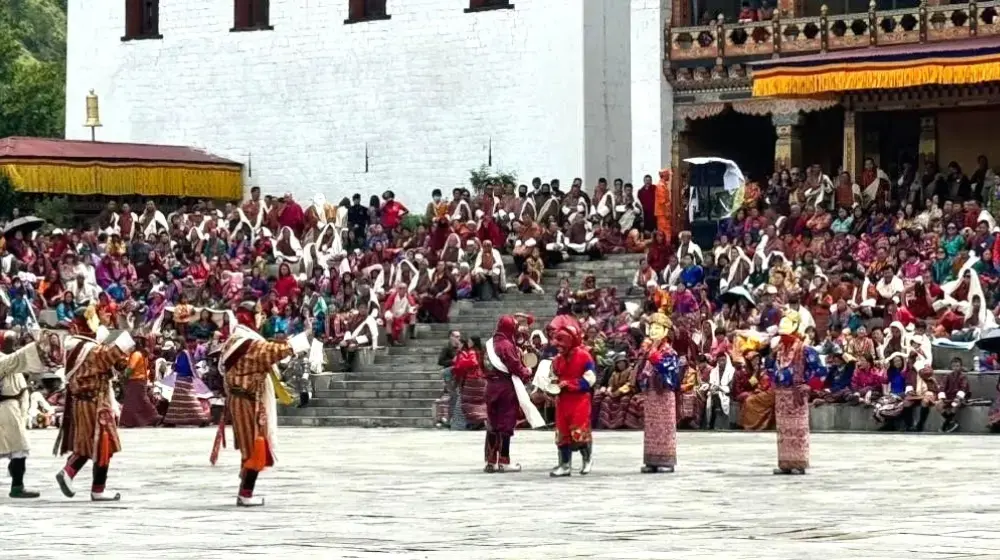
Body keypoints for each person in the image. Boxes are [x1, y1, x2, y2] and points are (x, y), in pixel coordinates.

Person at [211, 326, 309, 507]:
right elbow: (276, 350)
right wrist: (305, 336)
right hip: (249, 403)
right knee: (256, 447)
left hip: (238, 400)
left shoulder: (232, 343)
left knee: (250, 447)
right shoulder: (250, 347)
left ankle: (245, 491)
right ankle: (245, 494)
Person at [55, 331, 137, 502]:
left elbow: (111, 365)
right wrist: (126, 338)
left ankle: (69, 473)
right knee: (103, 445)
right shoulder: (91, 350)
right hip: (96, 405)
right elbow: (108, 356)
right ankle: (96, 488)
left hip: (82, 404)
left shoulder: (75, 350)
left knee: (88, 443)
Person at [769, 310, 822, 475]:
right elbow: (769, 367)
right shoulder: (778, 349)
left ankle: (799, 463)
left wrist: (810, 386)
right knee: (784, 432)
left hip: (796, 395)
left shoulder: (805, 350)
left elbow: (821, 372)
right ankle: (785, 463)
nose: (784, 338)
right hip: (782, 398)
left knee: (798, 431)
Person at [0, 337, 52, 498]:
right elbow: (17, 358)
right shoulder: (4, 361)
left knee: (17, 449)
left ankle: (17, 483)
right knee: (19, 449)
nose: (14, 346)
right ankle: (17, 487)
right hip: (6, 410)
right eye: (10, 342)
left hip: (12, 409)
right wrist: (35, 346)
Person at [483, 316, 535, 473]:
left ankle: (490, 462)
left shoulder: (489, 344)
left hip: (490, 386)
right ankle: (504, 461)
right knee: (506, 424)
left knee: (492, 424)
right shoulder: (506, 345)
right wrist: (527, 372)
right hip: (505, 388)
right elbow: (515, 366)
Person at [549, 324, 597, 477]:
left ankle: (587, 459)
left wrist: (571, 384)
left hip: (579, 401)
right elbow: (553, 377)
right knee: (562, 433)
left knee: (579, 432)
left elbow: (590, 379)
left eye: (561, 343)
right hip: (562, 401)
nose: (558, 347)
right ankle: (564, 465)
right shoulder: (556, 361)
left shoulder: (584, 356)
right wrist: (552, 385)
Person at [638, 312, 679, 473]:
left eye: (657, 328)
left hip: (663, 394)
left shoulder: (670, 351)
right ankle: (651, 460)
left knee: (664, 427)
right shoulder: (649, 348)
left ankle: (666, 461)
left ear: (665, 331)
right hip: (651, 393)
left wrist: (658, 362)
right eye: (652, 328)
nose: (653, 331)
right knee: (651, 427)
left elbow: (672, 372)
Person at [162, 338, 212, 427]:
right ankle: (171, 421)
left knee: (190, 401)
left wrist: (175, 366)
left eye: (176, 343)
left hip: (184, 379)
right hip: (180, 379)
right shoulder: (182, 353)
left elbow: (184, 367)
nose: (175, 346)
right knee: (178, 402)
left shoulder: (184, 353)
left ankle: (201, 419)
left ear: (180, 344)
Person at [118, 336, 161, 428]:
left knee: (136, 400)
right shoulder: (141, 354)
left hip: (136, 380)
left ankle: (154, 417)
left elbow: (130, 368)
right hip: (140, 380)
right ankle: (147, 418)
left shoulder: (136, 354)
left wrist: (123, 376)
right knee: (137, 401)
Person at [936, 357, 969, 433]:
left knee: (955, 404)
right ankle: (951, 422)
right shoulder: (948, 376)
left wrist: (958, 397)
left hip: (960, 398)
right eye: (954, 366)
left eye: (957, 366)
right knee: (938, 404)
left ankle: (945, 425)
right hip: (948, 397)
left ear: (960, 366)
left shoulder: (963, 377)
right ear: (951, 366)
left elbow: (963, 388)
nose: (955, 368)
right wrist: (942, 398)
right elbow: (942, 387)